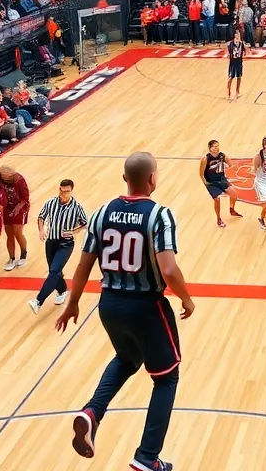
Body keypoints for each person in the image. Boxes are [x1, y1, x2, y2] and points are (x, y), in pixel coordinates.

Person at [59, 152, 195, 471]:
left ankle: (93, 412)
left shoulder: (102, 211)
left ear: (125, 179)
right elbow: (169, 269)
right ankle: (147, 457)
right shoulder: (159, 215)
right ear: (152, 179)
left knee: (126, 358)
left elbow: (82, 264)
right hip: (145, 307)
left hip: (109, 305)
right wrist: (187, 299)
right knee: (166, 378)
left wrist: (73, 302)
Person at [29, 179, 88, 315]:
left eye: (67, 191)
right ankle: (62, 290)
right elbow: (41, 216)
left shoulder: (76, 207)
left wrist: (73, 231)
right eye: (62, 190)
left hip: (66, 245)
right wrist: (41, 230)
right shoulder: (51, 202)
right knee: (54, 271)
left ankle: (38, 301)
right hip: (51, 243)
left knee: (54, 271)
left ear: (71, 191)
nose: (64, 193)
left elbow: (85, 223)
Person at [200, 140, 240, 228]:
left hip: (221, 179)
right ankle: (219, 219)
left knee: (234, 194)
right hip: (211, 182)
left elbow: (231, 164)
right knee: (217, 199)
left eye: (217, 146)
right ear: (210, 148)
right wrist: (205, 184)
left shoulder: (222, 155)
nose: (216, 148)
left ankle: (231, 209)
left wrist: (228, 165)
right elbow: (201, 174)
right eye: (214, 146)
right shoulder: (205, 159)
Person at [0, 166, 31, 271]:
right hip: (7, 208)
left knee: (18, 232)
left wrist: (17, 210)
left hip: (21, 207)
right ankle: (11, 258)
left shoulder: (19, 180)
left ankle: (23, 254)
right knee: (9, 234)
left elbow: (25, 198)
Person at [226, 29, 245, 101]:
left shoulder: (241, 43)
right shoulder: (230, 43)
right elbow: (225, 47)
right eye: (237, 34)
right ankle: (228, 90)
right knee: (231, 77)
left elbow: (244, 50)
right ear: (234, 35)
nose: (238, 36)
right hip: (233, 62)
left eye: (239, 34)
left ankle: (237, 91)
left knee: (239, 76)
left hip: (239, 61)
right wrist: (227, 53)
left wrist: (245, 52)